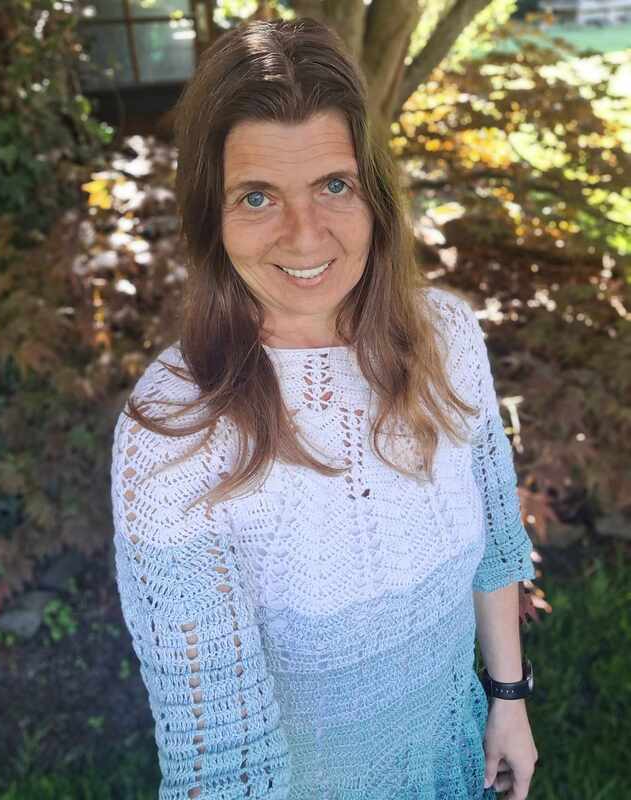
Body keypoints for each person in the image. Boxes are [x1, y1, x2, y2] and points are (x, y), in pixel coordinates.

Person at [109, 16, 539, 800]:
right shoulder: (174, 429)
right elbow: (222, 764)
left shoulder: (447, 336)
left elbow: (496, 542)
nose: (304, 237)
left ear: (374, 195)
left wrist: (507, 698)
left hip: (456, 759)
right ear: (210, 217)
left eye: (333, 185)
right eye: (257, 196)